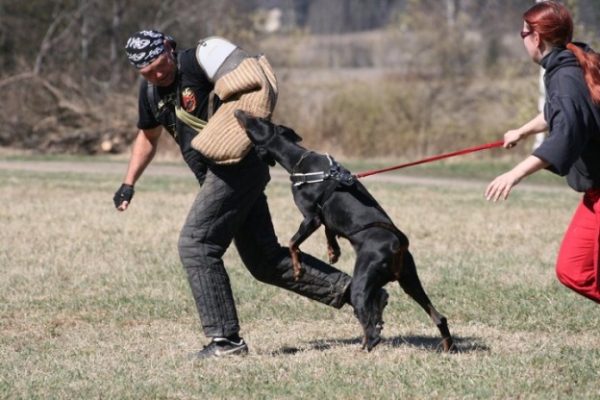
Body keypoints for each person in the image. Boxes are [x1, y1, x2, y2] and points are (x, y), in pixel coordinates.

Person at [114, 30, 388, 359]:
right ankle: (361, 293)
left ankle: (224, 342)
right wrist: (129, 183)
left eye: (160, 65)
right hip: (216, 177)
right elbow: (148, 137)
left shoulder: (197, 62)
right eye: (147, 73)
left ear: (169, 49)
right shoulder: (150, 93)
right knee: (264, 261)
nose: (157, 75)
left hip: (236, 169)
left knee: (196, 244)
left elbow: (251, 83)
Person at [485, 1, 600, 303]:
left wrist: (514, 173)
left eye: (523, 34)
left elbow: (567, 133)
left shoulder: (565, 75)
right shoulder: (573, 60)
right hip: (595, 194)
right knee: (574, 271)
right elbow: (565, 112)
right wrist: (523, 131)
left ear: (536, 38)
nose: (522, 40)